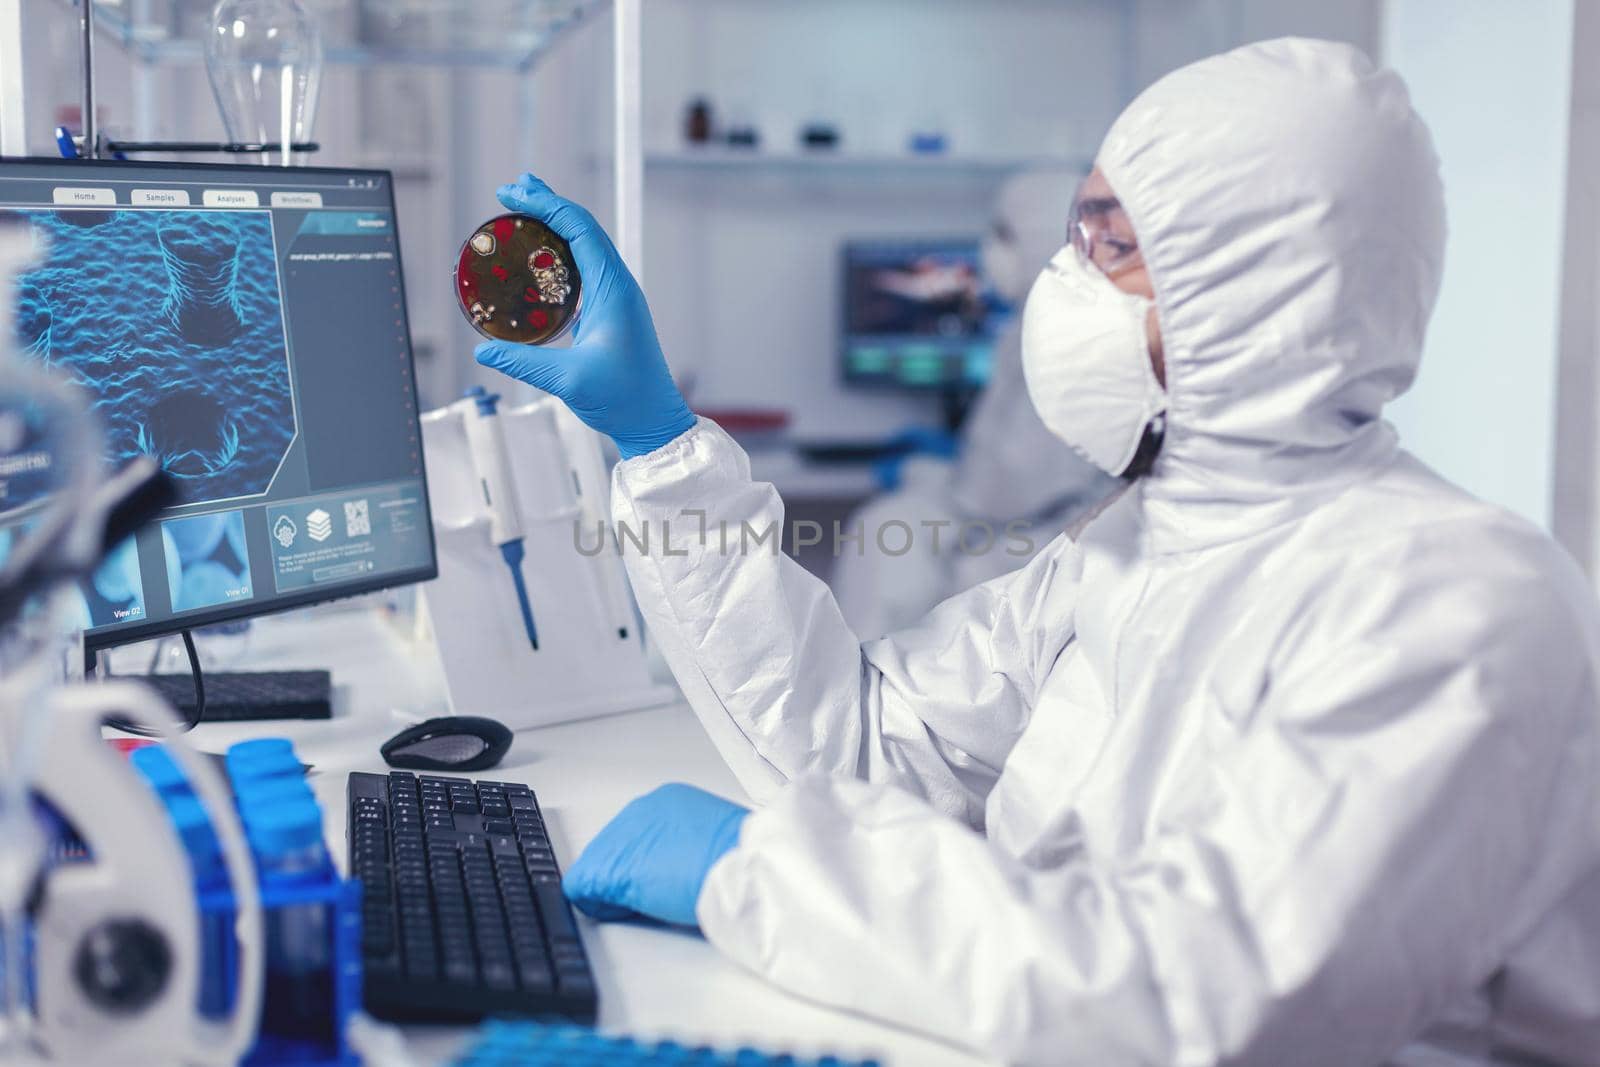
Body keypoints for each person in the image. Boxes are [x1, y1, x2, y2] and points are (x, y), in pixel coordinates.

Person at [475, 38, 1600, 1067]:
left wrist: (754, 873)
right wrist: (659, 440)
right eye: (1076, 236)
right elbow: (860, 746)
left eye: (1113, 245)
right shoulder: (1133, 547)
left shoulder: (1458, 607)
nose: (1065, 286)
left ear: (1262, 293)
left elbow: (1199, 1000)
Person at [830, 168, 1113, 638]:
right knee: (888, 529)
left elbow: (1004, 492)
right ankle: (860, 676)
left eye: (1005, 234)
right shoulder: (1023, 329)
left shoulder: (1068, 340)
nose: (989, 251)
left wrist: (930, 470)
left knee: (899, 543)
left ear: (1046, 236)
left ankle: (869, 682)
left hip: (1049, 531)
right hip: (1012, 518)